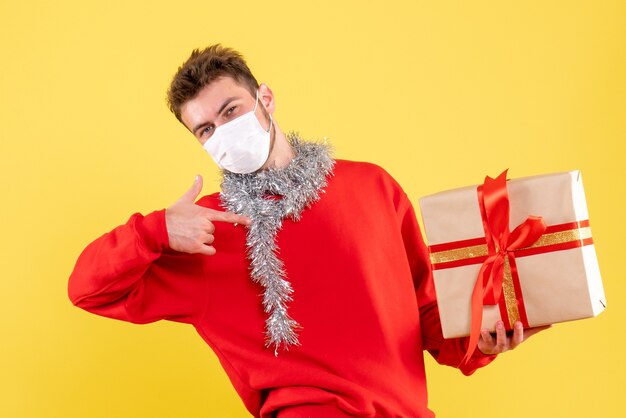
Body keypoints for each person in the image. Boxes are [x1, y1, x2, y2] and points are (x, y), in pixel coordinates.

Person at [68, 44, 546, 418]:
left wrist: (480, 343)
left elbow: (423, 315)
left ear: (266, 99)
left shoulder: (372, 186)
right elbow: (87, 289)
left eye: (230, 111)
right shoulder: (204, 231)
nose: (222, 133)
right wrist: (156, 231)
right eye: (205, 130)